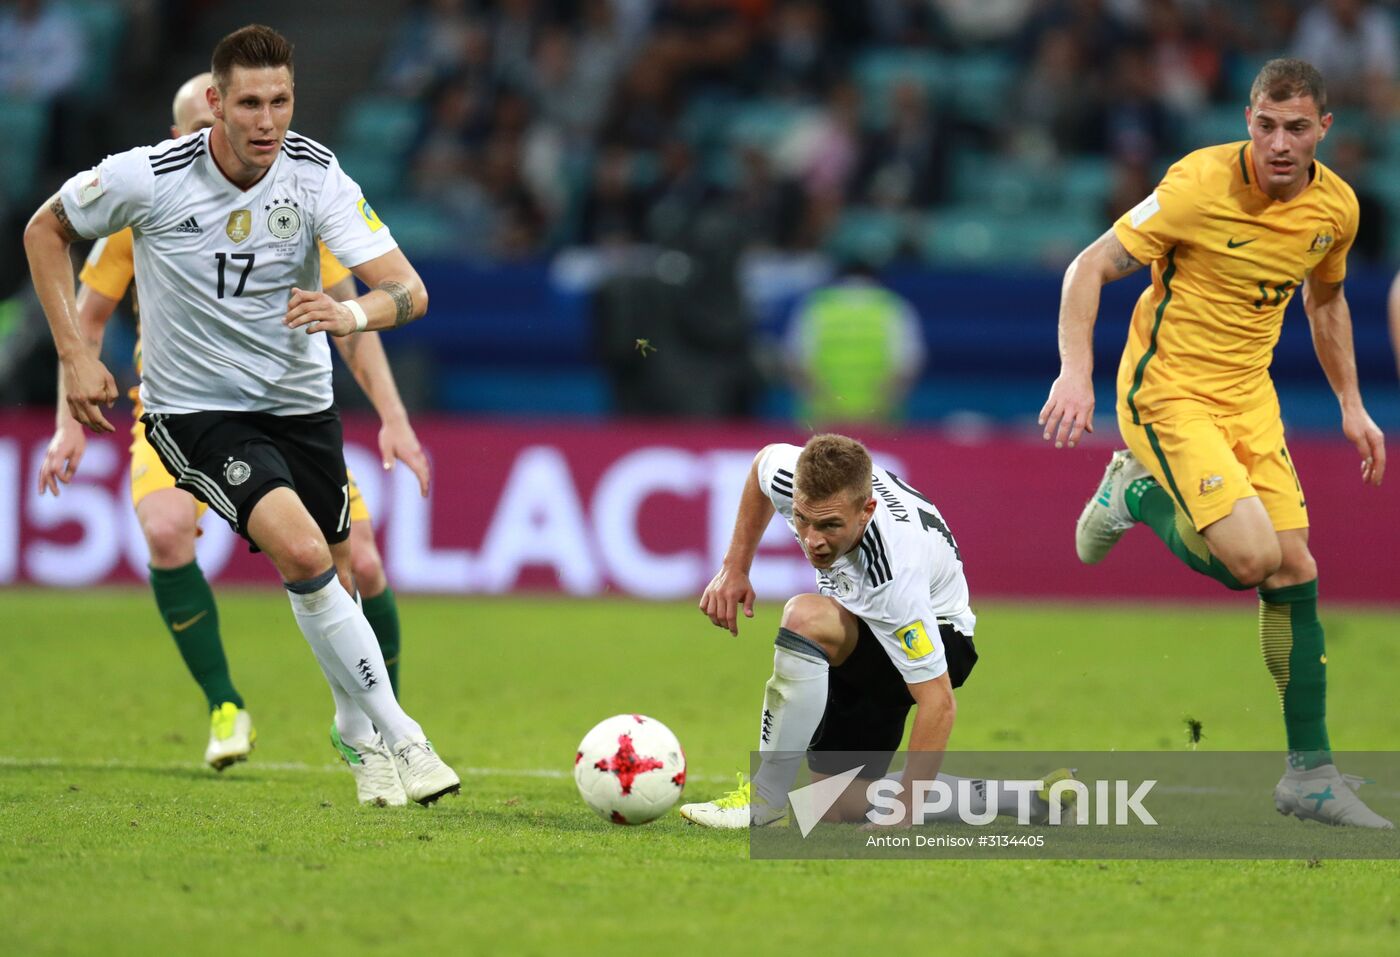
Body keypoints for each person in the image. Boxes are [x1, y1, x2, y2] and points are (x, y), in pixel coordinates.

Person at [23, 25, 458, 807]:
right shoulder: (147, 179)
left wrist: (349, 317)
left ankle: (355, 733)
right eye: (250, 103)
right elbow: (43, 230)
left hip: (301, 403)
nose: (268, 120)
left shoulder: (315, 175)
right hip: (196, 409)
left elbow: (409, 289)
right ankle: (403, 735)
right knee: (297, 550)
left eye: (281, 101)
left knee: (342, 561)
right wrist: (76, 358)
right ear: (216, 106)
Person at [1040, 58, 1390, 829]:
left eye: (1297, 128)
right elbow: (1089, 264)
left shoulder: (1336, 209)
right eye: (1265, 125)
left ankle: (1310, 774)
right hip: (1169, 392)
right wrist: (1075, 372)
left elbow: (1325, 300)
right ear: (1248, 120)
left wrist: (1352, 404)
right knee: (1251, 560)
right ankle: (1132, 489)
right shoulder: (1197, 185)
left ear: (1323, 130)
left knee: (1295, 566)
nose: (1278, 144)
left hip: (1249, 400)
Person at [680, 434, 1071, 828]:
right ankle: (1022, 797)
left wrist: (905, 813)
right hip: (863, 630)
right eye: (802, 519)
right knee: (835, 807)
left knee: (805, 618)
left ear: (867, 510)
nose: (813, 540)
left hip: (937, 634)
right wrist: (735, 567)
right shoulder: (791, 477)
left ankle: (765, 796)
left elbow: (939, 703)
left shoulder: (892, 575)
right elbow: (760, 466)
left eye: (830, 525)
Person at [784, 261, 926, 427]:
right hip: (879, 421)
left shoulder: (815, 306)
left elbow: (795, 363)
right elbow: (908, 366)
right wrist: (875, 411)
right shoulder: (894, 307)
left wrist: (831, 410)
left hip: (822, 421)